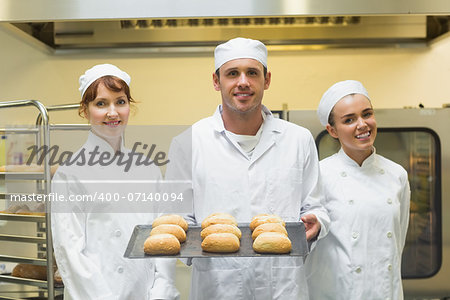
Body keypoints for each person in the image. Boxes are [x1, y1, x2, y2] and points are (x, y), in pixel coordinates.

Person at [165, 37, 330, 300]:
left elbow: (315, 207)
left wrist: (317, 224)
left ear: (267, 80)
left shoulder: (298, 140)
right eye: (232, 73)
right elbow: (176, 218)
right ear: (216, 81)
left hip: (283, 287)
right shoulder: (188, 143)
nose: (243, 82)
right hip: (218, 287)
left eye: (252, 73)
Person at [51, 64, 179, 300]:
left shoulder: (148, 169)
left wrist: (162, 289)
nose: (113, 112)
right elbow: (70, 253)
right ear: (85, 110)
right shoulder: (70, 174)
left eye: (120, 102)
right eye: (101, 103)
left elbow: (163, 235)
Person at [305, 80, 411, 299]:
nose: (362, 124)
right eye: (349, 120)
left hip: (386, 291)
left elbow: (398, 241)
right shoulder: (319, 175)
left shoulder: (397, 174)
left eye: (367, 114)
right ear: (332, 130)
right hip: (337, 293)